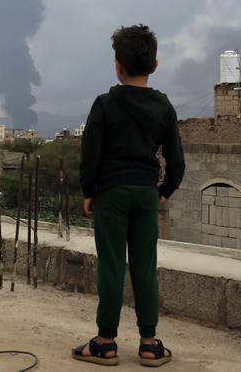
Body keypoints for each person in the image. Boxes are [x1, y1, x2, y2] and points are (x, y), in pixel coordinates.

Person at [71, 24, 185, 367]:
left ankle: (105, 343)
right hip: (145, 195)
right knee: (145, 268)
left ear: (117, 64)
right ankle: (149, 344)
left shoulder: (105, 104)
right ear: (154, 65)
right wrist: (163, 192)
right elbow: (176, 160)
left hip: (111, 194)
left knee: (111, 266)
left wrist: (89, 191)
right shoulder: (163, 106)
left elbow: (90, 154)